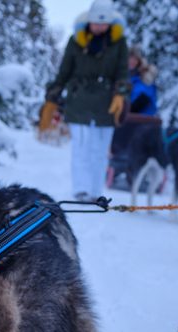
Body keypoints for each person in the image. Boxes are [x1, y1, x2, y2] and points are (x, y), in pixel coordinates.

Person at [45, 0, 130, 201]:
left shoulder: (119, 43)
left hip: (106, 104)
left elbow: (122, 73)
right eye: (96, 23)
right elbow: (64, 71)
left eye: (103, 24)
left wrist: (121, 94)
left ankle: (95, 191)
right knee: (81, 148)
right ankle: (80, 189)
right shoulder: (76, 41)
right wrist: (53, 95)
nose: (99, 27)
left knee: (100, 150)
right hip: (79, 100)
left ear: (110, 23)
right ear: (88, 21)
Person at [128, 46, 158, 115]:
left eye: (135, 59)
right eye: (130, 58)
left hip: (143, 118)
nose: (132, 61)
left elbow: (147, 96)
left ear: (139, 61)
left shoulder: (146, 77)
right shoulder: (122, 77)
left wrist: (131, 110)